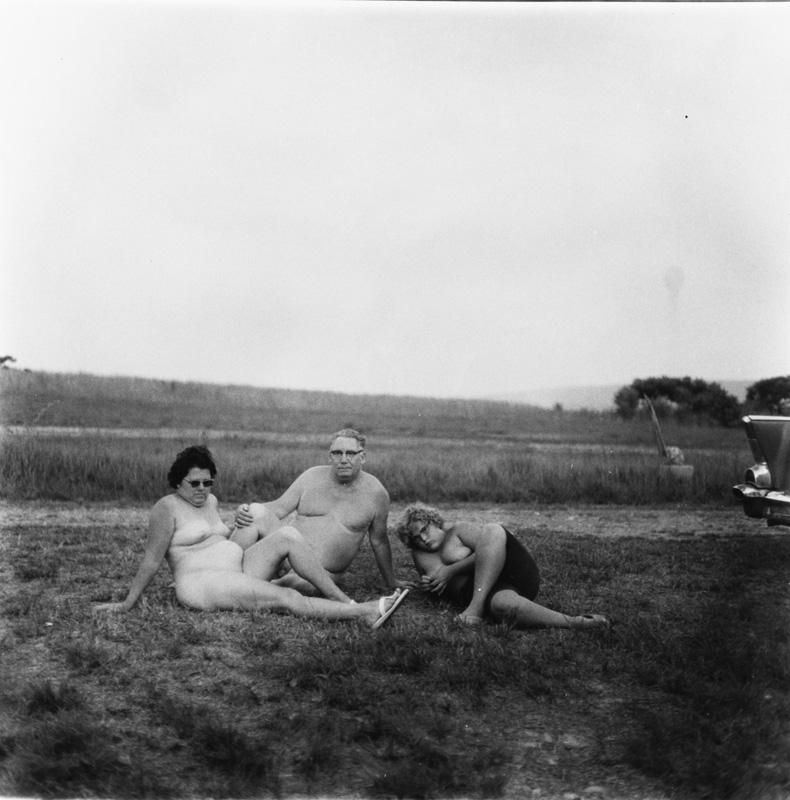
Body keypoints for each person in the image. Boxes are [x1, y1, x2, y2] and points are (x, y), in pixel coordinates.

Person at [94, 445, 407, 628]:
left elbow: (219, 539)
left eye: (208, 483)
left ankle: (341, 598)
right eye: (194, 484)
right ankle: (363, 612)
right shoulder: (166, 508)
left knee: (287, 534)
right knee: (286, 599)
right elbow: (151, 560)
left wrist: (242, 525)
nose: (202, 490)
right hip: (204, 582)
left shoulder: (211, 502)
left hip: (235, 567)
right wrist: (127, 603)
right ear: (178, 483)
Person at [232, 428, 401, 594]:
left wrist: (391, 581)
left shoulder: (376, 494)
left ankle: (257, 585)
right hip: (285, 555)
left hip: (320, 573)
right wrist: (244, 509)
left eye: (350, 453)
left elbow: (379, 541)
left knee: (307, 585)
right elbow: (278, 508)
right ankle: (224, 567)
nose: (343, 459)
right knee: (254, 511)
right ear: (330, 456)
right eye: (337, 453)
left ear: (362, 457)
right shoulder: (311, 477)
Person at [395, 503, 608, 629]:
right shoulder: (420, 555)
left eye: (424, 529)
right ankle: (576, 622)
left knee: (493, 530)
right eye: (416, 537)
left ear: (433, 521)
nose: (422, 538)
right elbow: (438, 585)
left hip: (512, 571)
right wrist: (430, 584)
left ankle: (475, 610)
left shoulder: (458, 530)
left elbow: (493, 547)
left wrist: (450, 571)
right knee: (504, 607)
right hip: (490, 589)